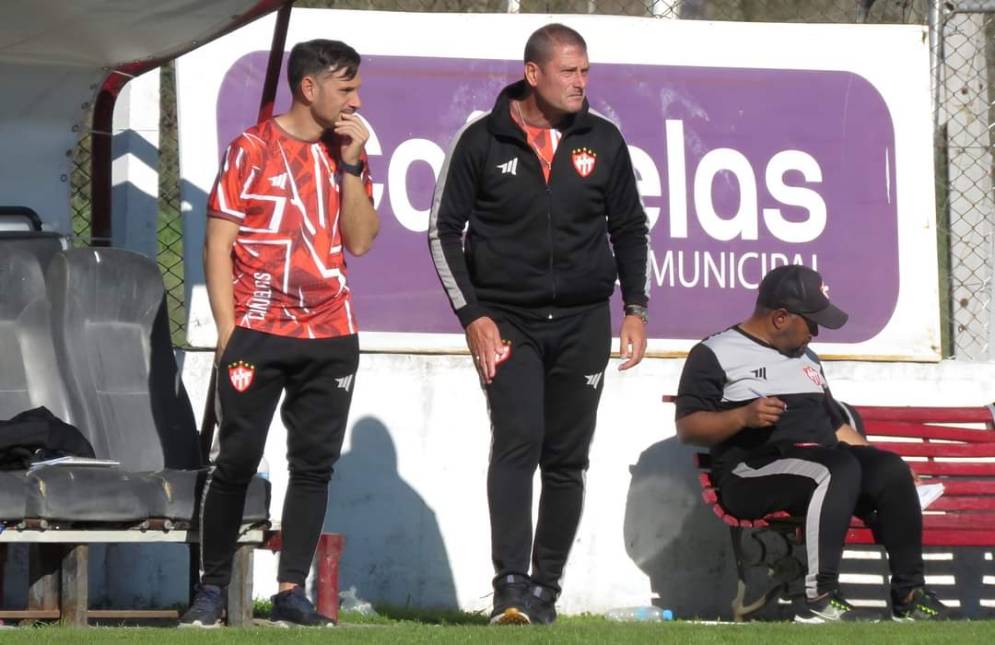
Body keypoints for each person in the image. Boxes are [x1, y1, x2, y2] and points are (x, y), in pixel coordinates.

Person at [428, 23, 650, 625]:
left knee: (567, 458)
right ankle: (508, 588)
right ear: (534, 74)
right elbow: (441, 232)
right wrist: (473, 316)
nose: (581, 83)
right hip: (508, 322)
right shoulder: (480, 140)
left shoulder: (603, 139)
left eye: (585, 71)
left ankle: (545, 591)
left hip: (583, 321)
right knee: (517, 439)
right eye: (569, 72)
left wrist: (635, 308)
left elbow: (629, 227)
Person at [180, 39, 379, 628]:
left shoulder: (349, 152)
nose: (357, 100)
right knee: (234, 460)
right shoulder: (250, 149)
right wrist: (226, 330)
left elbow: (362, 240)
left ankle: (291, 591)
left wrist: (350, 164)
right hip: (257, 331)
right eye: (346, 88)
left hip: (331, 334)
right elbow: (218, 245)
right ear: (309, 88)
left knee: (314, 464)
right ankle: (212, 588)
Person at [675, 265, 951, 623]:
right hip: (751, 473)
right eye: (812, 322)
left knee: (889, 468)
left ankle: (910, 596)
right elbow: (688, 428)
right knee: (834, 469)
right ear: (779, 317)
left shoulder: (807, 358)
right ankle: (819, 596)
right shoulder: (715, 353)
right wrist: (742, 417)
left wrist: (882, 463)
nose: (817, 332)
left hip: (823, 464)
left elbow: (835, 426)